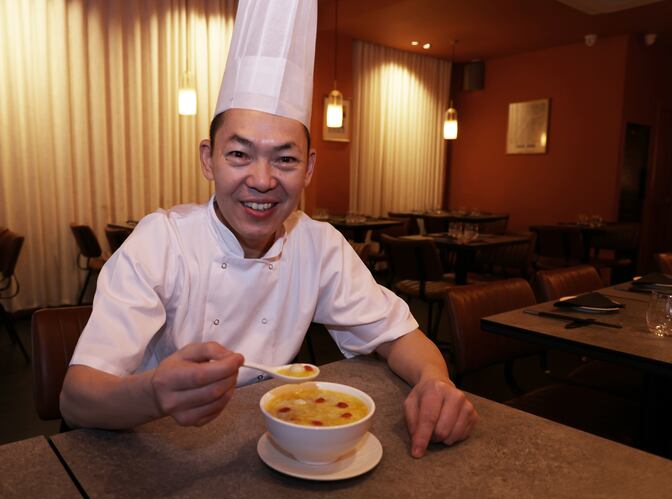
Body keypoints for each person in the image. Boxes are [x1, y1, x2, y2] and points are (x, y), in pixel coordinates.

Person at [60, 0, 477, 459]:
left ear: (309, 168)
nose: (262, 179)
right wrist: (156, 393)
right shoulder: (162, 241)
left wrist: (435, 381)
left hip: (277, 442)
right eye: (239, 154)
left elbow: (398, 335)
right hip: (160, 446)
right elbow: (76, 397)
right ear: (208, 159)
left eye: (285, 158)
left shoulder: (318, 244)